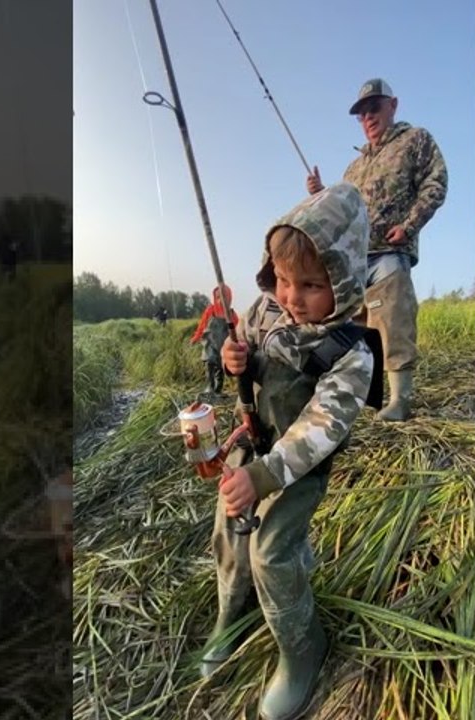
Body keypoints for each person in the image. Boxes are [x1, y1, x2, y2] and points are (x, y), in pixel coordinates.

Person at [202, 183, 375, 720]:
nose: (291, 295)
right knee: (229, 533)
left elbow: (321, 428)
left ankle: (302, 650)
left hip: (295, 467)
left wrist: (266, 474)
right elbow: (247, 354)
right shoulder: (266, 309)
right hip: (252, 444)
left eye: (310, 284)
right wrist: (233, 357)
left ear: (343, 281)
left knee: (272, 550)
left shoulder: (352, 352)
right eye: (281, 279)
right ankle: (230, 616)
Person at [306, 78, 447, 422]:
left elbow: (436, 181)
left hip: (390, 251)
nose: (368, 117)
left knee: (392, 318)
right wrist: (320, 194)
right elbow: (341, 211)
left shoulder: (415, 140)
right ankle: (364, 399)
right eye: (361, 113)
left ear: (393, 105)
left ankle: (400, 399)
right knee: (356, 329)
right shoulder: (353, 168)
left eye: (374, 108)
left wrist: (409, 225)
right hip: (356, 261)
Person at [190, 285, 238, 395]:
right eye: (217, 297)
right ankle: (210, 386)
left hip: (223, 345)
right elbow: (202, 326)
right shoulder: (210, 310)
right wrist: (196, 338)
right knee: (209, 363)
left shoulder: (231, 314)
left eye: (224, 297)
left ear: (229, 298)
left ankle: (218, 389)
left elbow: (238, 331)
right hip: (210, 344)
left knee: (220, 367)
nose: (220, 300)